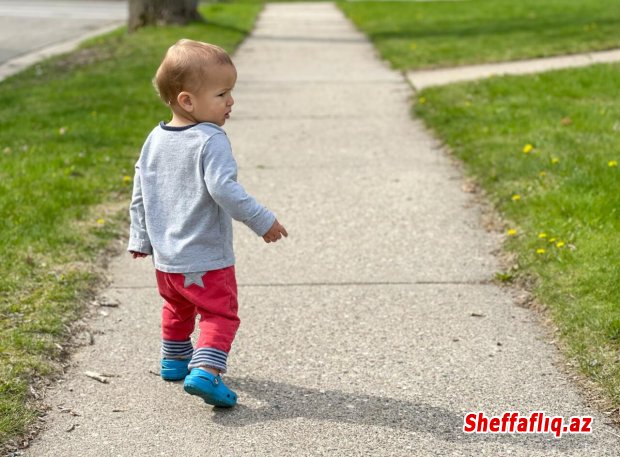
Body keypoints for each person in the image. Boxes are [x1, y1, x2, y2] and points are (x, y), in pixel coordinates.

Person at [127, 39, 287, 408]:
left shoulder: (154, 139)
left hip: (166, 261)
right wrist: (263, 220)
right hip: (206, 260)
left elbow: (140, 192)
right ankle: (206, 372)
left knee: (177, 308)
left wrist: (140, 237)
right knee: (219, 314)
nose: (231, 102)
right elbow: (223, 189)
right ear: (187, 100)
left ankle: (174, 360)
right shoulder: (211, 139)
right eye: (222, 94)